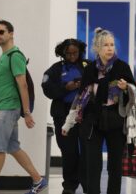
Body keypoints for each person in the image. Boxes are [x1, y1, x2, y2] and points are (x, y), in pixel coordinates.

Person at [62, 28, 136, 194]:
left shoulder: (122, 67)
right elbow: (80, 98)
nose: (110, 48)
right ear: (97, 48)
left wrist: (126, 89)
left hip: (116, 119)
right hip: (92, 119)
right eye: (105, 45)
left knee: (114, 165)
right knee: (92, 165)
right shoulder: (90, 69)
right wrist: (69, 123)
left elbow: (135, 92)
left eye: (112, 45)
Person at [0, 19, 47, 194]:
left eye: (1, 32)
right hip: (3, 106)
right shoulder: (3, 57)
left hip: (9, 108)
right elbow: (3, 83)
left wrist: (27, 112)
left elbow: (22, 85)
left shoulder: (15, 56)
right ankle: (38, 181)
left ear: (11, 34)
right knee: (13, 147)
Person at [41, 38, 89, 194]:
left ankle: (86, 182)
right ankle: (69, 186)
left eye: (75, 53)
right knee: (69, 151)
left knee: (87, 150)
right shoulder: (55, 69)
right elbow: (47, 89)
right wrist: (66, 87)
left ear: (80, 51)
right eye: (68, 53)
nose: (72, 56)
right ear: (63, 53)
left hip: (85, 114)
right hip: (62, 114)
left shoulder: (88, 66)